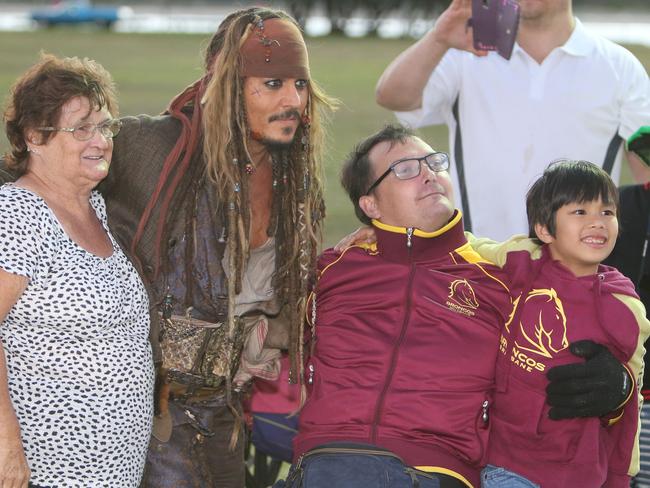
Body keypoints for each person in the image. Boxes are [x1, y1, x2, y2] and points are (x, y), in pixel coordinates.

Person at [97, 7, 336, 487]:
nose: (293, 100)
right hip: (135, 415)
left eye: (301, 85)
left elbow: (278, 299)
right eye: (272, 84)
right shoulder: (154, 148)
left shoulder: (295, 183)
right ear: (226, 85)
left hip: (221, 416)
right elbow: (33, 175)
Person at [277, 123, 514, 488]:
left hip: (437, 470)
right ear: (370, 204)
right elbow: (269, 327)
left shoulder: (497, 280)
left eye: (434, 163)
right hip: (329, 462)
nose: (429, 175)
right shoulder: (332, 270)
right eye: (405, 169)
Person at [0, 55, 153, 487]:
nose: (100, 140)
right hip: (42, 466)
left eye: (105, 127)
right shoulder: (15, 213)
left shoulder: (97, 210)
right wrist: (6, 448)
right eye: (81, 128)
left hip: (113, 470)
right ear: (35, 136)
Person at [375, 0, 650, 241]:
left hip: (575, 273)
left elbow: (645, 179)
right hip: (478, 263)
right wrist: (438, 37)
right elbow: (393, 97)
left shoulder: (619, 66)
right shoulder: (467, 53)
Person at [467, 160, 650, 487]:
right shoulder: (521, 258)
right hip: (504, 461)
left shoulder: (625, 306)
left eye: (607, 212)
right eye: (580, 212)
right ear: (544, 229)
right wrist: (380, 234)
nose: (598, 222)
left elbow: (631, 396)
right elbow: (462, 249)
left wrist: (622, 478)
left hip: (578, 474)